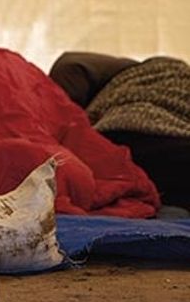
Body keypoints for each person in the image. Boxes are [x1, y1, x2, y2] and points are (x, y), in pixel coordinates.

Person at [49, 51, 190, 210]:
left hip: (115, 143)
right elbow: (73, 65)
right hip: (152, 136)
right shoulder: (160, 71)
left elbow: (71, 66)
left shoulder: (128, 74)